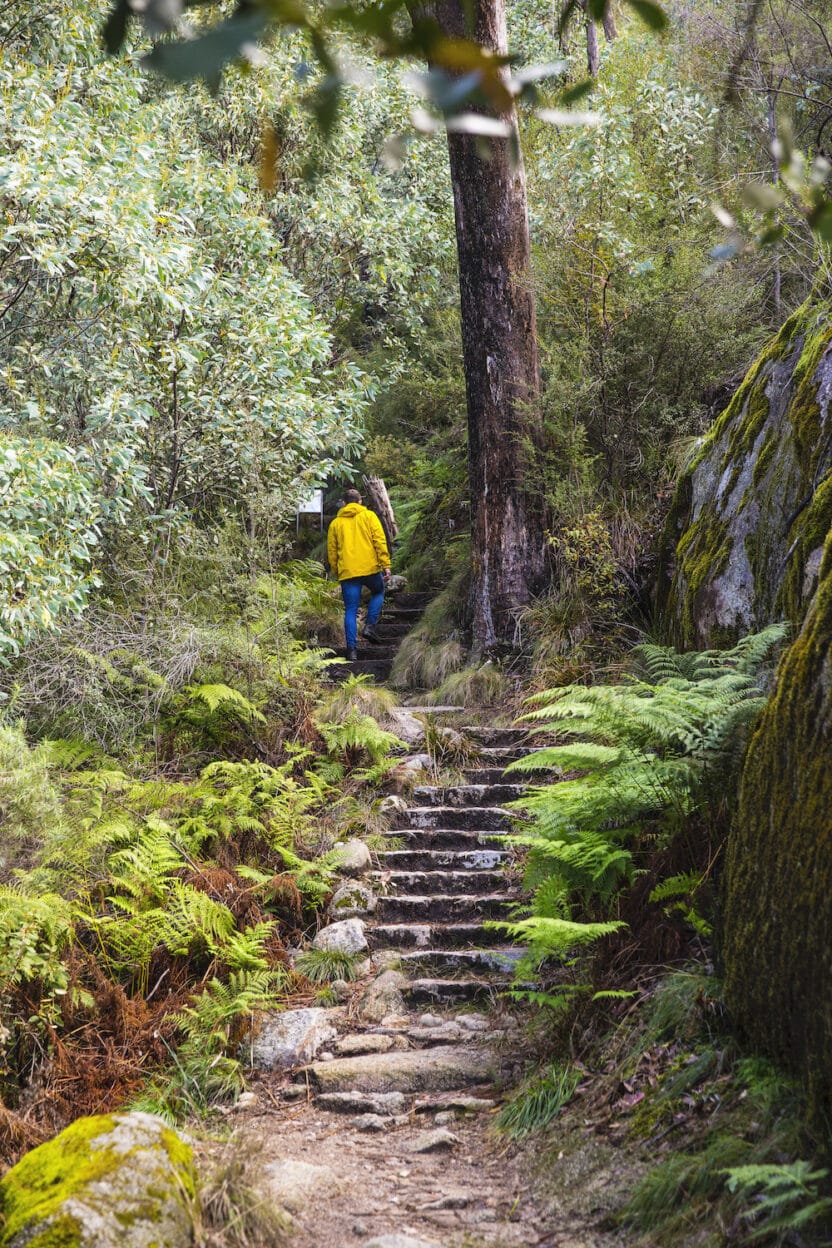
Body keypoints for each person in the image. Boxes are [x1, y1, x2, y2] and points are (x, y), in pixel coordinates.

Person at [327, 488, 391, 660]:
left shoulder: (335, 524)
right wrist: (385, 564)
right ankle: (370, 626)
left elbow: (332, 551)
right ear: (360, 501)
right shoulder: (369, 516)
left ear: (344, 503)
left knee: (350, 610)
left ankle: (351, 651)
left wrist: (337, 570)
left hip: (348, 572)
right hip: (370, 568)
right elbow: (379, 540)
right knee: (378, 591)